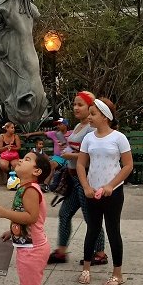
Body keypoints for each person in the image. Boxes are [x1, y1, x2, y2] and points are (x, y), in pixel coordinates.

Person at [0, 151, 65, 285]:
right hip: (26, 244)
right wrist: (12, 231)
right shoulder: (23, 187)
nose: (21, 160)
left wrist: (5, 213)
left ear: (36, 171)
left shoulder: (31, 190)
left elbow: (31, 217)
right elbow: (25, 218)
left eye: (27, 159)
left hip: (33, 248)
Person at [76, 97, 134, 285]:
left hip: (113, 193)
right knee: (92, 230)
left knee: (112, 230)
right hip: (92, 192)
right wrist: (86, 187)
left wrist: (110, 185)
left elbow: (127, 166)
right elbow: (80, 164)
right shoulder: (88, 138)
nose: (90, 117)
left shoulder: (119, 138)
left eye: (93, 114)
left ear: (105, 117)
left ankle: (118, 273)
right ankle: (86, 268)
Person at [48, 91, 107, 266]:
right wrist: (65, 148)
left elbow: (91, 155)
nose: (75, 107)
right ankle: (61, 251)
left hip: (85, 179)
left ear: (90, 107)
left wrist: (70, 156)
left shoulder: (92, 128)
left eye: (80, 104)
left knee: (91, 217)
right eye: (74, 104)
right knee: (64, 213)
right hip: (73, 179)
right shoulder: (79, 126)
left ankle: (100, 253)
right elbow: (74, 149)